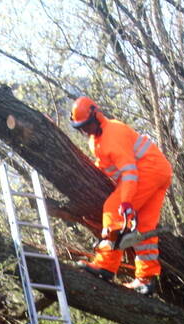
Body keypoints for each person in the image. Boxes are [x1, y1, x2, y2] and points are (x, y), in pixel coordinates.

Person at [70, 96, 173, 296]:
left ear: (96, 116)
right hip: (160, 171)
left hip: (148, 171)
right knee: (143, 227)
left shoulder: (113, 133)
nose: (85, 131)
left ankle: (105, 265)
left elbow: (130, 173)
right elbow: (107, 165)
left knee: (112, 209)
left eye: (87, 126)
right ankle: (146, 279)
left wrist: (125, 201)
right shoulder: (97, 140)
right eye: (81, 128)